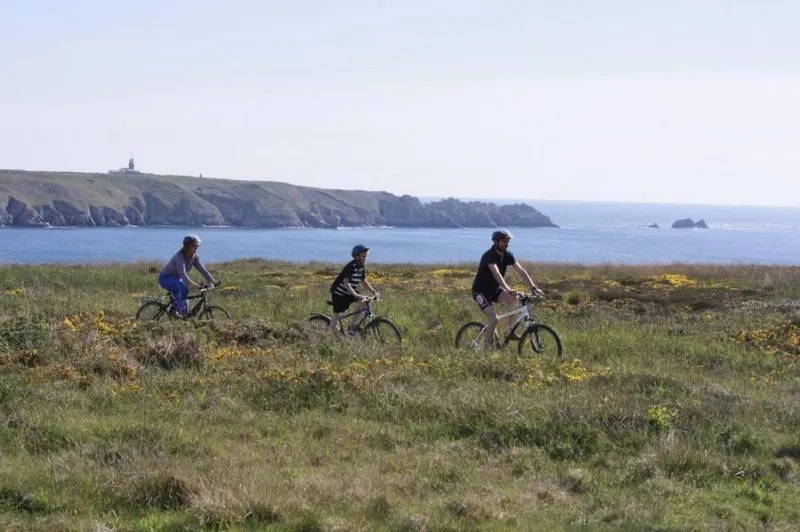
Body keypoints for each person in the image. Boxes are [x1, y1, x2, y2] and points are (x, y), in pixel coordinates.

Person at [471, 230, 543, 347]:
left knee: (513, 298)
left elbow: (521, 271)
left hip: (493, 290)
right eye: (504, 241)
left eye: (508, 241)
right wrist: (508, 288)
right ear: (496, 242)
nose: (507, 244)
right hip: (480, 292)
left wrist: (533, 288)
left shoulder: (507, 255)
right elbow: (496, 273)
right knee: (493, 319)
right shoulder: (489, 255)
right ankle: (486, 349)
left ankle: (509, 331)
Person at [159, 234, 220, 317]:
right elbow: (183, 274)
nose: (197, 247)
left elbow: (203, 270)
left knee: (185, 308)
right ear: (188, 246)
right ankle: (173, 310)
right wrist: (193, 285)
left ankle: (179, 317)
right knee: (184, 289)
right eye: (195, 245)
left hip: (176, 279)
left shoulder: (194, 257)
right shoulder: (179, 257)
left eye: (198, 246)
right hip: (165, 278)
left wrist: (213, 281)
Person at [328, 244, 378, 333]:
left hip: (349, 292)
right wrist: (355, 294)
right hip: (338, 293)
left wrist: (373, 292)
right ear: (357, 256)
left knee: (364, 301)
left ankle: (352, 327)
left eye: (366, 256)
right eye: (363, 256)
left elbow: (364, 281)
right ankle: (329, 334)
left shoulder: (361, 267)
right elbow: (345, 282)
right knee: (336, 314)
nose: (365, 259)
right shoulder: (351, 266)